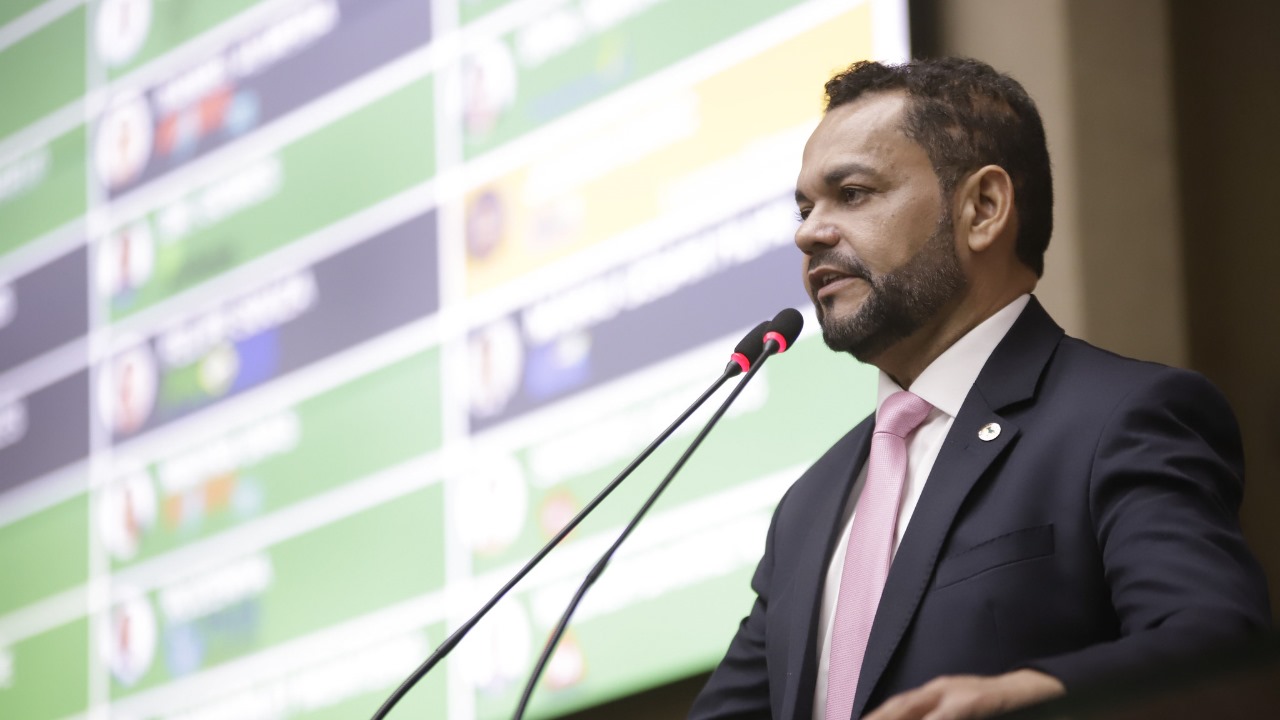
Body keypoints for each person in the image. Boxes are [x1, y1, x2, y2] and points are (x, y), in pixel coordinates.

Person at [689, 57, 1270, 720]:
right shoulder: (811, 504)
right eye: (804, 207)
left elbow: (1221, 647)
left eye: (852, 194)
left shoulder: (1120, 418)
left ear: (984, 209)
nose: (807, 232)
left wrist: (1023, 696)